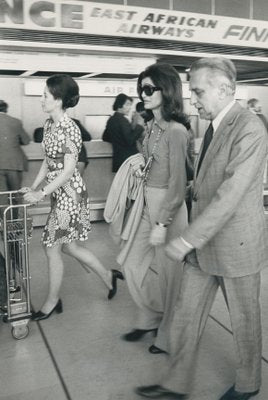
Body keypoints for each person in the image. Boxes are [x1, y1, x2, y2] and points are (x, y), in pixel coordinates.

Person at [135, 57, 268, 400]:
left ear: (225, 89)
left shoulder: (249, 128)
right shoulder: (211, 126)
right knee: (184, 314)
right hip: (202, 243)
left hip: (235, 243)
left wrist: (185, 239)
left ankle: (248, 383)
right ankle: (176, 383)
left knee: (244, 320)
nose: (192, 98)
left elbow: (231, 194)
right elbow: (210, 181)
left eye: (198, 91)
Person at [21, 74, 123, 321]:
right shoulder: (48, 125)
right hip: (58, 192)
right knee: (69, 246)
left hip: (70, 194)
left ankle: (52, 302)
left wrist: (40, 193)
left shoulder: (70, 129)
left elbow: (68, 171)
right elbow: (48, 162)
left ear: (58, 100)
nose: (41, 99)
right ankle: (109, 276)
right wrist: (32, 187)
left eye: (45, 95)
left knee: (50, 247)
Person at [121, 63, 190, 354]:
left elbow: (177, 183)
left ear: (167, 90)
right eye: (141, 89)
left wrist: (162, 223)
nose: (143, 94)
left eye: (149, 89)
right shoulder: (151, 128)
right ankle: (152, 316)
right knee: (129, 263)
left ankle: (167, 334)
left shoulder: (176, 131)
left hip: (169, 210)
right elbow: (153, 164)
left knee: (171, 278)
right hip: (148, 203)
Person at [102, 93, 144, 172]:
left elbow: (105, 137)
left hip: (118, 160)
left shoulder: (111, 119)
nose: (129, 108)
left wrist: (118, 140)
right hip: (129, 160)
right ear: (120, 105)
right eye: (127, 104)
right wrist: (140, 126)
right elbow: (130, 140)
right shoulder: (123, 120)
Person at [0, 100, 30, 195]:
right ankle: (16, 210)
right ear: (6, 109)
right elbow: (26, 140)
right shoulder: (16, 122)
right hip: (14, 163)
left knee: (1, 197)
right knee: (15, 194)